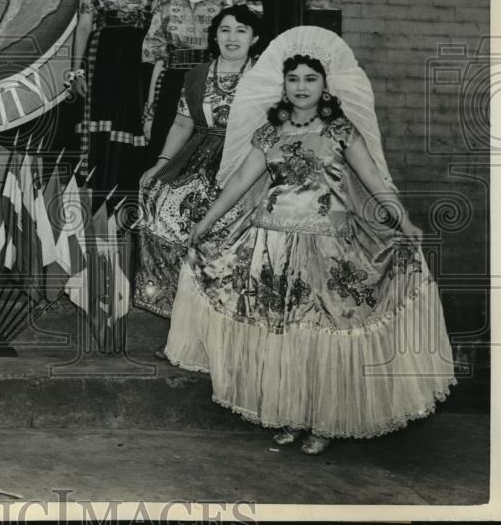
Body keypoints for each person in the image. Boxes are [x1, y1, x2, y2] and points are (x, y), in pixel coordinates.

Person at [170, 26, 456, 454]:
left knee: (323, 332)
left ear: (325, 85)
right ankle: (289, 414)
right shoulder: (269, 133)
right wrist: (205, 222)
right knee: (284, 333)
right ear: (283, 85)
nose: (301, 87)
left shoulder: (341, 130)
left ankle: (323, 422)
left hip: (328, 247)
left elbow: (375, 181)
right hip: (271, 245)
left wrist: (404, 221)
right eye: (293, 79)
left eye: (310, 79)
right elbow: (239, 183)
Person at [134, 4, 263, 324]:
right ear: (215, 37)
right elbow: (182, 123)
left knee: (231, 217)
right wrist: (161, 163)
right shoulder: (197, 75)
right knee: (158, 198)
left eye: (241, 31)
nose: (232, 37)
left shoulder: (266, 76)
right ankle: (177, 306)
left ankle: (224, 310)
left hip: (247, 157)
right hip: (199, 153)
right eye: (225, 30)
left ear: (254, 38)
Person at [69, 0, 169, 203]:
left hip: (140, 58)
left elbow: (164, 21)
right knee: (99, 133)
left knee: (135, 126)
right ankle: (97, 209)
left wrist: (159, 67)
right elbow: (84, 24)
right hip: (102, 56)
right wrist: (76, 70)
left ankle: (129, 207)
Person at [141, 0, 240, 156]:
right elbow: (158, 64)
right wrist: (150, 113)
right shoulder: (166, 9)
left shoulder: (227, 5)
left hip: (212, 88)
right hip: (172, 89)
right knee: (165, 158)